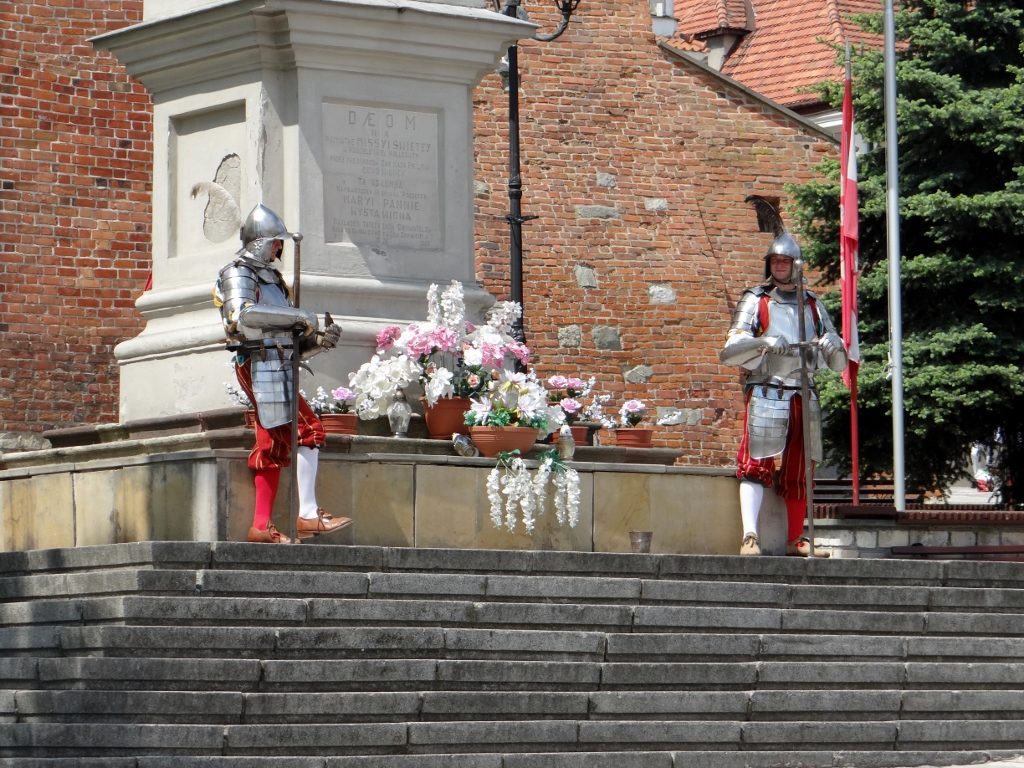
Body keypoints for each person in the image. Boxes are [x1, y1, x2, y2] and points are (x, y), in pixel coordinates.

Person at [214, 203, 352, 544]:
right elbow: (241, 318)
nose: (280, 248)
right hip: (258, 361)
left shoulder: (274, 280)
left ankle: (261, 527)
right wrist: (300, 318)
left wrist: (318, 340)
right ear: (259, 241)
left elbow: (291, 340)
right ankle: (307, 515)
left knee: (273, 443)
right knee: (309, 429)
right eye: (275, 241)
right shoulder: (237, 273)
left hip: (276, 361)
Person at [719, 232, 847, 556]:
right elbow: (731, 349)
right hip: (767, 389)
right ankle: (750, 535)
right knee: (755, 462)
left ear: (795, 264)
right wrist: (764, 342)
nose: (779, 265)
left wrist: (833, 346)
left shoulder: (812, 303)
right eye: (775, 260)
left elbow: (837, 358)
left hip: (804, 392)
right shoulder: (757, 299)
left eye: (784, 260)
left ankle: (796, 538)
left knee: (802, 468)